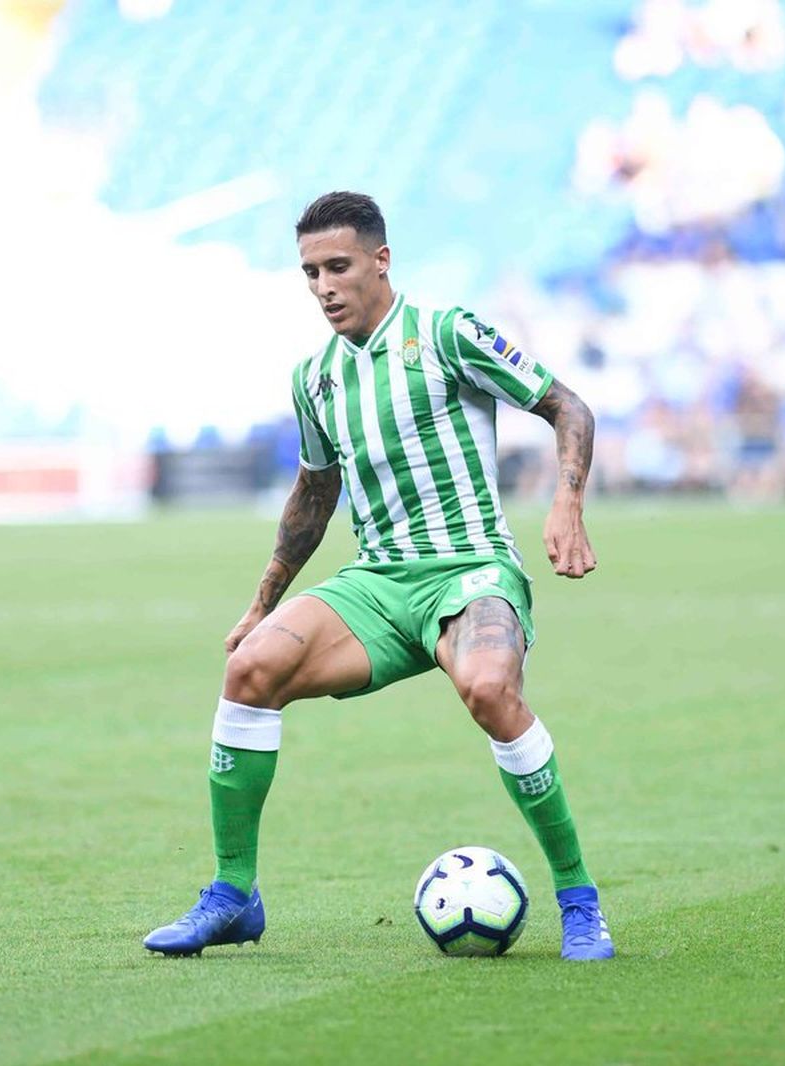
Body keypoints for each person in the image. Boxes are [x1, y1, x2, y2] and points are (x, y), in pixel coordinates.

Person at [143, 191, 613, 961]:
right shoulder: (316, 378)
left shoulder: (448, 334)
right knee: (249, 668)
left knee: (491, 691)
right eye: (309, 273)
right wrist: (261, 602)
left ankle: (579, 900)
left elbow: (569, 407)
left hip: (470, 570)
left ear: (380, 260)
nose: (323, 286)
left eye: (338, 267)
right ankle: (233, 895)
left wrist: (567, 503)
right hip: (379, 582)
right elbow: (314, 493)